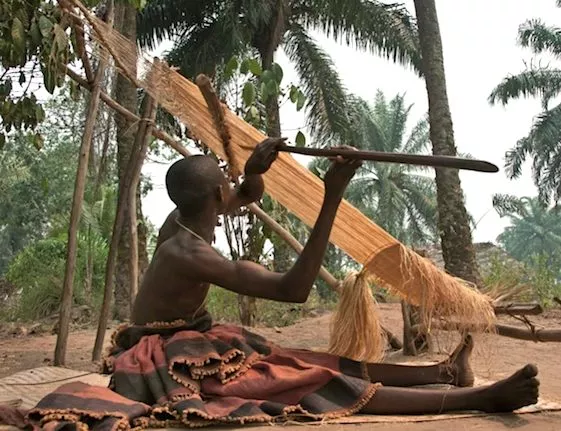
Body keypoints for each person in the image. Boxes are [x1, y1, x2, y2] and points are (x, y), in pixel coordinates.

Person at [3, 138, 538, 430]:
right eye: (228, 180)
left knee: (312, 359)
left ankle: (442, 372)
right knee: (302, 383)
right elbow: (293, 290)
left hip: (185, 338)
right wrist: (331, 194)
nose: (234, 187)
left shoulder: (185, 217)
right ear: (215, 196)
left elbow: (246, 195)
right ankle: (481, 398)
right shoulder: (192, 253)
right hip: (162, 358)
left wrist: (255, 166)